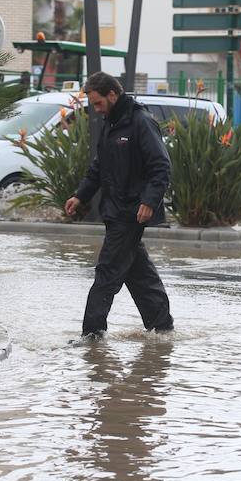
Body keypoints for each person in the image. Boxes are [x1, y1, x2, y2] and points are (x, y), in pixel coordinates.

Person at [64, 72, 174, 338]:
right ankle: (162, 328)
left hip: (132, 213)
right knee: (139, 274)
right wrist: (81, 196)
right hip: (116, 212)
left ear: (112, 94)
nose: (96, 109)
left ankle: (91, 335)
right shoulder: (111, 124)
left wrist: (149, 201)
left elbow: (161, 166)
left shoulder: (140, 122)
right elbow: (99, 167)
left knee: (107, 273)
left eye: (98, 103)